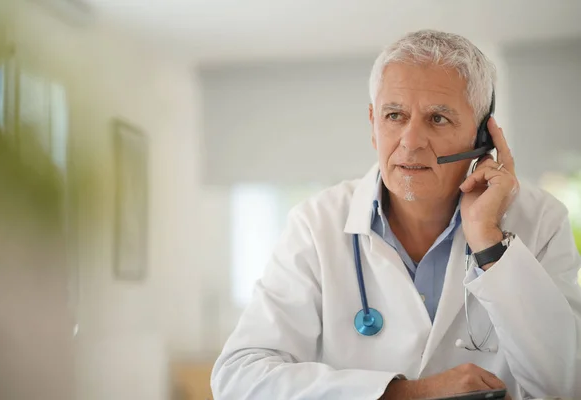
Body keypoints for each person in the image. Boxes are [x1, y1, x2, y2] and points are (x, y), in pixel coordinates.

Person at [210, 30, 581, 400]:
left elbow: (564, 384)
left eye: (437, 119)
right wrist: (408, 394)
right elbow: (239, 377)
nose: (411, 140)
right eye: (394, 115)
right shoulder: (316, 224)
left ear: (482, 136)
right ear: (374, 124)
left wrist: (488, 242)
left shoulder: (541, 221)